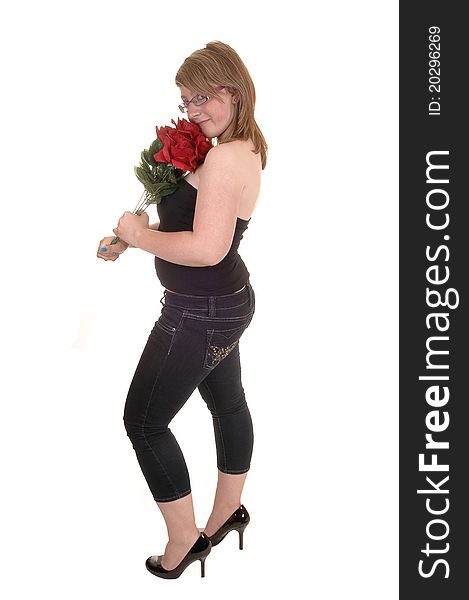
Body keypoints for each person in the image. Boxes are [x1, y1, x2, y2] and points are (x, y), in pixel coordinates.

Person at [97, 41, 267, 579]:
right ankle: (227, 514)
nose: (193, 111)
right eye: (186, 100)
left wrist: (140, 239)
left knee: (144, 422)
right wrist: (134, 236)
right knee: (228, 404)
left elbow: (207, 248)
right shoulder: (244, 146)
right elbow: (197, 223)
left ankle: (183, 542)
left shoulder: (222, 159)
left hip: (199, 311)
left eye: (203, 97)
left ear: (233, 90)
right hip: (225, 303)